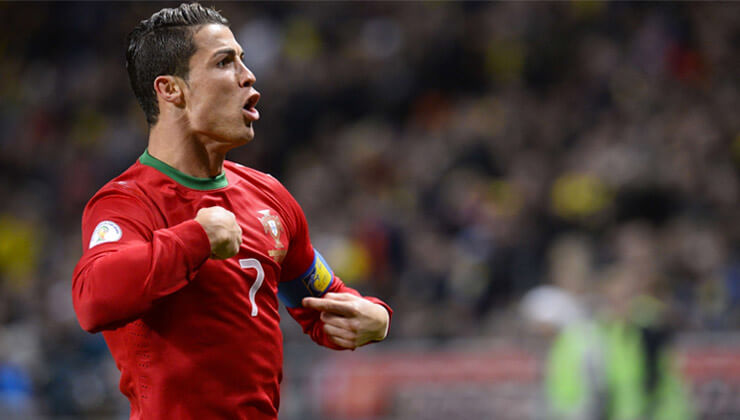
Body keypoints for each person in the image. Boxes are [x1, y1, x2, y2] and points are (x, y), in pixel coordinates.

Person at [70, 3, 392, 419]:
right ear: (171, 90)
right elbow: (93, 300)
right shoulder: (128, 202)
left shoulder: (269, 197)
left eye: (243, 59)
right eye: (224, 62)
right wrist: (196, 238)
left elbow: (322, 301)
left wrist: (373, 316)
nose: (249, 75)